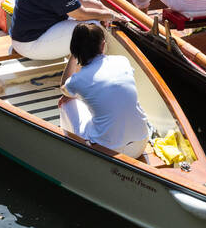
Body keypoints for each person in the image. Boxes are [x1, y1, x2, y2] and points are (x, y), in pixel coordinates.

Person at [58, 23, 151, 157]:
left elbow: (63, 88)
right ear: (102, 45)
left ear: (75, 50)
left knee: (67, 102)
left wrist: (74, 56)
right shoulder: (122, 61)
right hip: (141, 143)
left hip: (108, 151)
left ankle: (70, 145)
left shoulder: (77, 80)